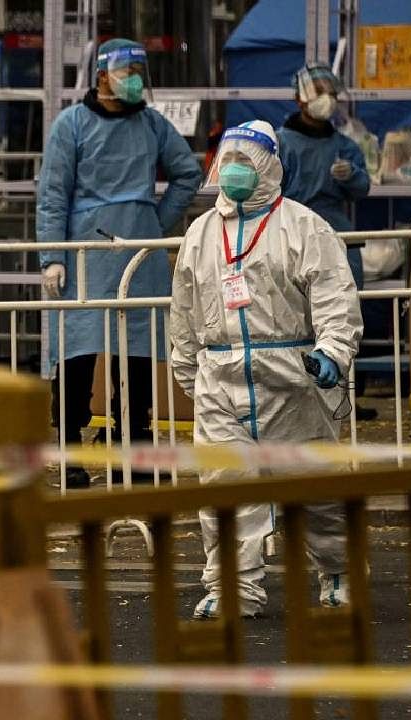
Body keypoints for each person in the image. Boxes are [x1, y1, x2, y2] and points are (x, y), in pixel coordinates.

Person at [168, 121, 363, 619]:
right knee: (225, 491)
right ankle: (234, 588)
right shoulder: (200, 233)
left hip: (293, 377)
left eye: (245, 162)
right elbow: (185, 311)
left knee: (314, 490)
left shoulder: (303, 226)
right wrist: (190, 370)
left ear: (270, 168)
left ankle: (338, 571)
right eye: (227, 160)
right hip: (221, 378)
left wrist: (332, 353)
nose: (234, 171)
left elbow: (334, 297)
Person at [36, 37, 203, 488]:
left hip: (139, 253)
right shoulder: (70, 125)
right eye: (126, 72)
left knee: (137, 355)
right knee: (77, 355)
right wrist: (53, 256)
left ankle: (134, 444)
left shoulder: (152, 125)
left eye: (139, 73)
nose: (134, 81)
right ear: (102, 76)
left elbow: (188, 173)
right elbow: (52, 193)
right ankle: (70, 446)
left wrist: (156, 221)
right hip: (85, 255)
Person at [277, 63, 370, 287]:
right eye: (318, 92)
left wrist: (351, 175)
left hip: (334, 228)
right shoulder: (281, 144)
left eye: (331, 93)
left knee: (346, 289)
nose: (327, 98)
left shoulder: (343, 145)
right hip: (290, 230)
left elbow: (362, 188)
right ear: (299, 99)